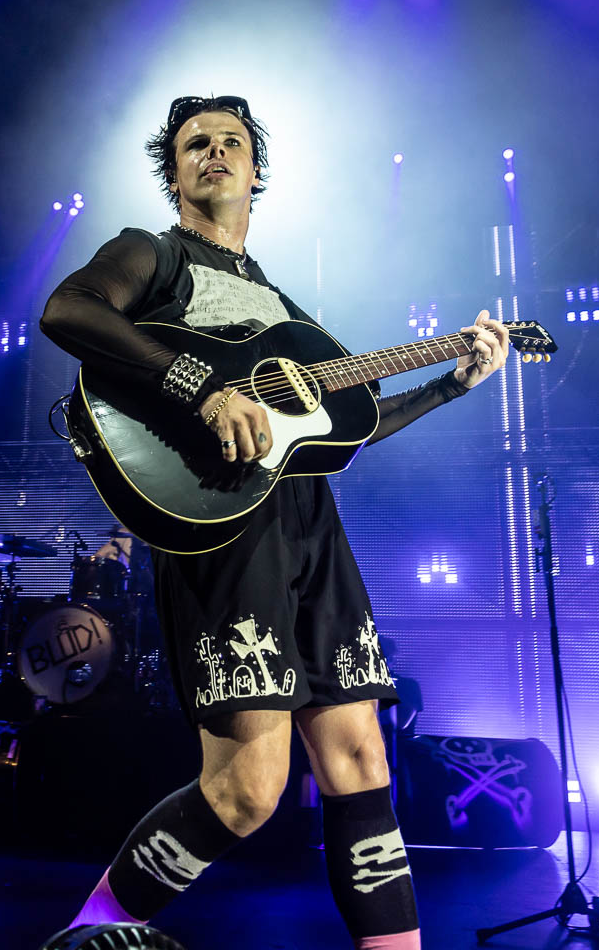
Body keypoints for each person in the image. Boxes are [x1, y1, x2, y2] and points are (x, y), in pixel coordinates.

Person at [39, 95, 511, 949]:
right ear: (174, 171)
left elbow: (343, 425)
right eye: (194, 145)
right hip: (221, 518)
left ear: (256, 172)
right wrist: (204, 386)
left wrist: (449, 383)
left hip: (309, 523)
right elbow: (69, 312)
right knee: (249, 789)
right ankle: (88, 933)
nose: (214, 152)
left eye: (231, 143)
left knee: (362, 760)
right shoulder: (153, 253)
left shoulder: (280, 302)